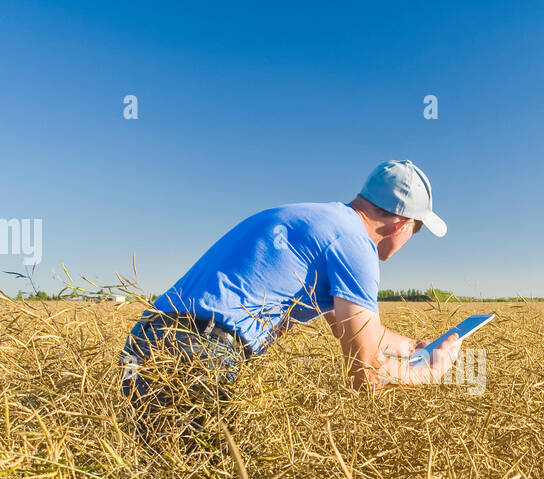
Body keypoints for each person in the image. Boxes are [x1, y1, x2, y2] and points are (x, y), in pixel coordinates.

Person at [119, 160, 462, 427]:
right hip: (197, 355)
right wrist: (428, 372)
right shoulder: (356, 245)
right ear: (402, 224)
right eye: (415, 231)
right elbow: (365, 375)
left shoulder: (316, 220)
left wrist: (415, 348)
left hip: (148, 342)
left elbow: (356, 328)